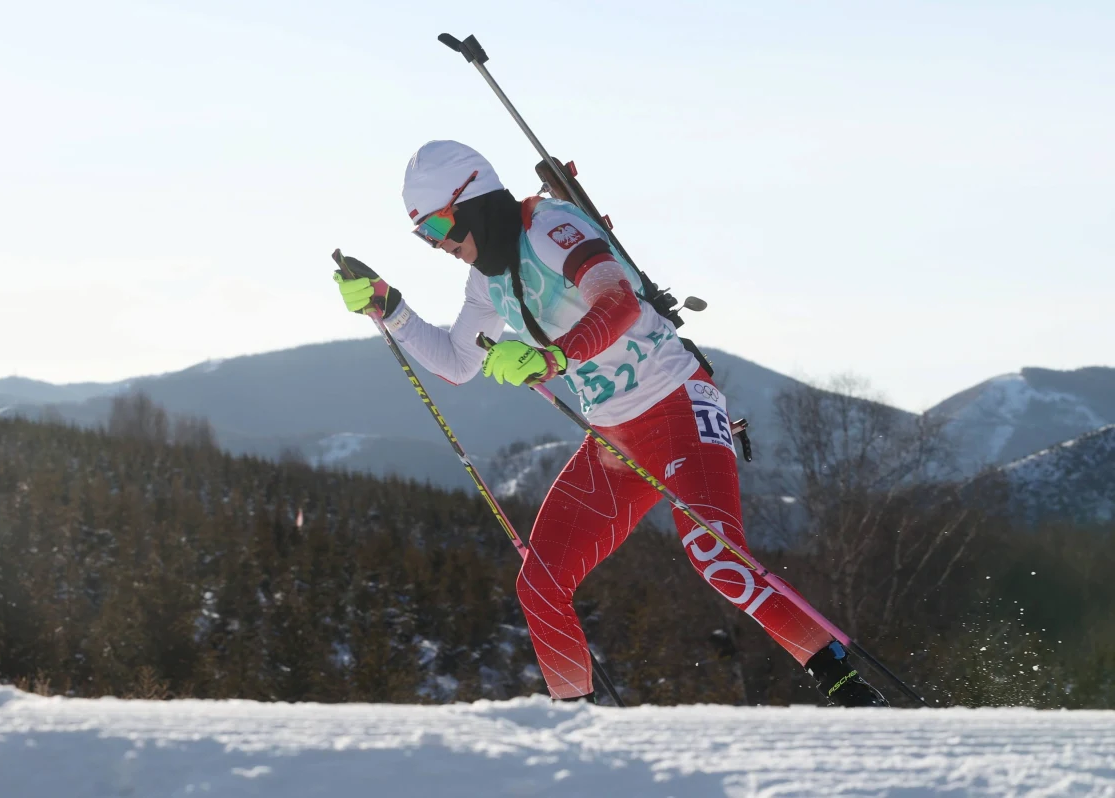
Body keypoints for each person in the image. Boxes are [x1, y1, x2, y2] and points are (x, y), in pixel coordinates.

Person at [333, 140, 885, 707]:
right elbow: (456, 363)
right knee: (541, 582)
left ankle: (847, 687)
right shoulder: (485, 281)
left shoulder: (550, 227)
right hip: (614, 440)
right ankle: (575, 724)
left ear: (474, 201)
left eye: (440, 225)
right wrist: (390, 309)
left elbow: (618, 303)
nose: (440, 244)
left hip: (677, 404)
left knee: (718, 556)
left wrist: (552, 359)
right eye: (423, 235)